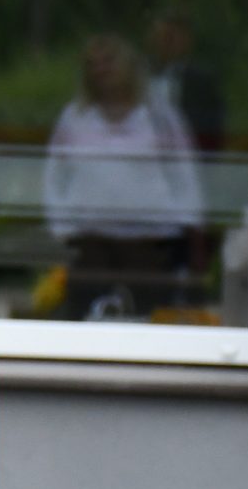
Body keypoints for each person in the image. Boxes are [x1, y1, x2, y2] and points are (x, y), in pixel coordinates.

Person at [43, 33, 203, 319]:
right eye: (93, 64)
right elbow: (54, 176)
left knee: (148, 320)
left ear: (128, 65)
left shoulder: (159, 116)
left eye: (108, 61)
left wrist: (189, 227)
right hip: (89, 244)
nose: (101, 69)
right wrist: (62, 225)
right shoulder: (74, 117)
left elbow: (184, 172)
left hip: (150, 244)